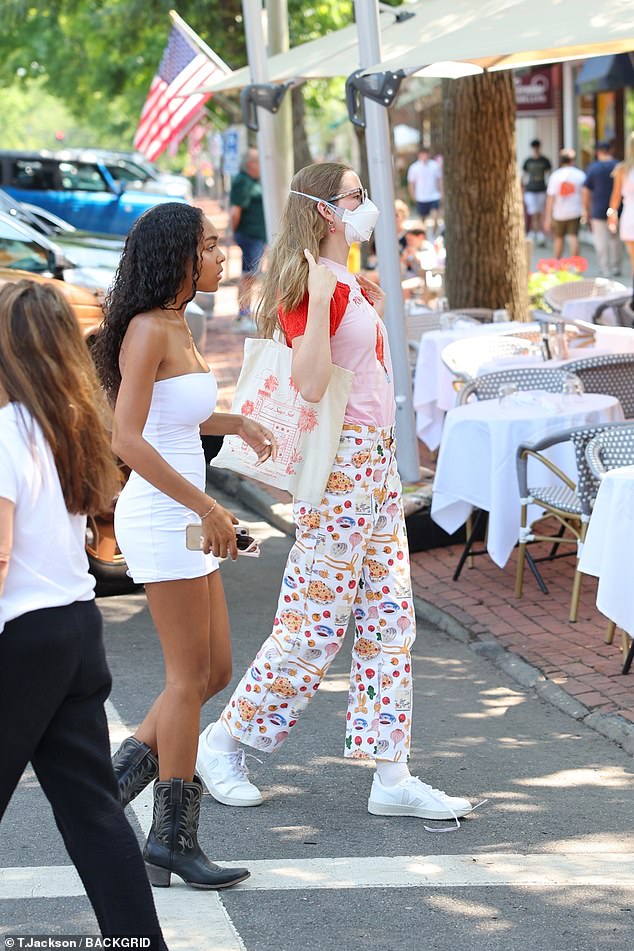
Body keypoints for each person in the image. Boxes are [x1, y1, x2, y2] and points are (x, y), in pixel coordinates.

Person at [195, 162, 473, 826]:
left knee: (390, 621)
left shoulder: (342, 278)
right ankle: (222, 741)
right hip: (341, 465)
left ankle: (392, 772)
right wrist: (323, 299)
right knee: (313, 624)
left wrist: (351, 296)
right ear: (327, 210)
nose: (367, 204)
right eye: (355, 196)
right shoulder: (309, 285)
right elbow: (313, 383)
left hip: (373, 464)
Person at [92, 202, 277, 889]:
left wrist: (238, 421)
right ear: (176, 255)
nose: (220, 256)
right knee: (185, 679)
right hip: (166, 515)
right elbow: (127, 437)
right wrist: (206, 503)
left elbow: (181, 416)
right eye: (208, 246)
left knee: (214, 670)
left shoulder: (179, 322)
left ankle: (109, 792)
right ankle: (173, 838)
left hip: (188, 516)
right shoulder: (146, 329)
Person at [0, 280, 168, 946]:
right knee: (93, 814)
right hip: (76, 629)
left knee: (92, 812)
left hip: (25, 635)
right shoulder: (69, 424)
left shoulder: (8, 430)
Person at [230, 148, 267, 332]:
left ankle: (245, 313)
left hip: (257, 236)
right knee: (248, 275)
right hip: (249, 235)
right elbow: (235, 211)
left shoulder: (254, 181)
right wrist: (234, 231)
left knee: (251, 275)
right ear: (251, 164)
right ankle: (243, 314)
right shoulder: (243, 182)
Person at [583, 140, 622, 277]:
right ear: (610, 150)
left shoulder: (593, 168)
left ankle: (605, 268)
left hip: (598, 209)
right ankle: (616, 266)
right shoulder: (619, 166)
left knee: (601, 240)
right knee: (615, 239)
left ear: (598, 152)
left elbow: (586, 191)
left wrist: (586, 210)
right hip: (617, 209)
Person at [608, 131, 634, 315]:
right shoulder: (622, 169)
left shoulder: (623, 169)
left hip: (629, 214)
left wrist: (612, 215)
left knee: (633, 257)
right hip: (629, 213)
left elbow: (616, 197)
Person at [544, 148, 586, 259]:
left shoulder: (555, 176)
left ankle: (557, 263)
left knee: (558, 238)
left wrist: (547, 217)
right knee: (573, 237)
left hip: (559, 213)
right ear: (573, 160)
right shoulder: (580, 175)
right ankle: (575, 265)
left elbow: (550, 198)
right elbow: (585, 194)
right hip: (575, 211)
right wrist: (585, 210)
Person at [407, 147, 442, 237]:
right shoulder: (414, 167)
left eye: (425, 154)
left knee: (435, 218)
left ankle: (434, 236)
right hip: (421, 197)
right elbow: (411, 183)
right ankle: (423, 236)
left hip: (434, 196)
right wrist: (413, 195)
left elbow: (439, 180)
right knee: (422, 220)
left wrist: (441, 192)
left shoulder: (434, 165)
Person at [522, 139, 551, 245]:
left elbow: (548, 175)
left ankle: (538, 232)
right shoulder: (528, 161)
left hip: (541, 189)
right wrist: (523, 189)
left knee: (540, 211)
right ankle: (535, 232)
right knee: (533, 212)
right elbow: (524, 176)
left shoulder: (544, 161)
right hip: (530, 189)